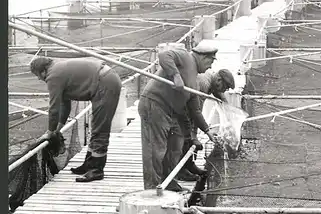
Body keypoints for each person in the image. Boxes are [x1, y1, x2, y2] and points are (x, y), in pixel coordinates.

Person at [138, 43, 219, 192]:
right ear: (201, 56)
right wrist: (175, 75)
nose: (210, 66)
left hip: (171, 112)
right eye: (210, 61)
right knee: (155, 150)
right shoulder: (185, 56)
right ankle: (150, 190)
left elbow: (195, 110)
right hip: (155, 104)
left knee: (175, 146)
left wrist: (208, 131)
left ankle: (168, 181)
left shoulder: (195, 81)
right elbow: (164, 56)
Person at [30, 56, 122, 182]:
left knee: (100, 128)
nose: (39, 79)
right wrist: (58, 129)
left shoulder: (53, 76)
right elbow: (65, 104)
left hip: (105, 82)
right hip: (104, 79)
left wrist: (50, 132)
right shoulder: (57, 68)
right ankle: (89, 164)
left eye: (38, 75)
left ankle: (96, 169)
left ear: (43, 71)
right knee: (96, 125)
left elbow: (54, 109)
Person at [176, 68, 235, 181]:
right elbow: (195, 111)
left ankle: (189, 165)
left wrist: (226, 105)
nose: (224, 91)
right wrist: (198, 134)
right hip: (180, 110)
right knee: (186, 137)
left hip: (186, 108)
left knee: (190, 137)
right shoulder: (203, 84)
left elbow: (218, 92)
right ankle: (181, 171)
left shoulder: (211, 79)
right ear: (219, 80)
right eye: (225, 87)